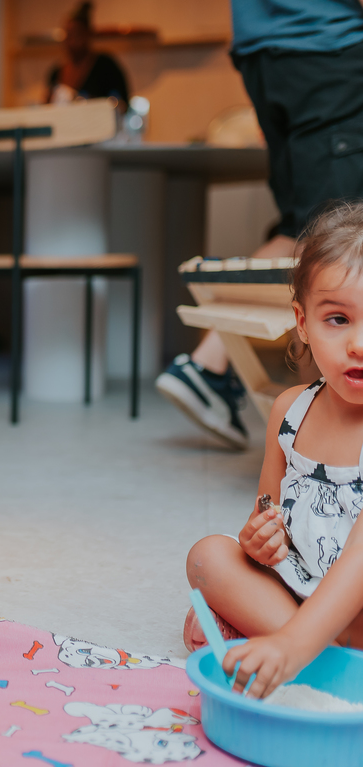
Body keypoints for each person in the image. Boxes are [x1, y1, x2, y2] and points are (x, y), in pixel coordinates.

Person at [156, 0, 363, 449]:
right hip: (326, 42)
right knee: (336, 234)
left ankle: (207, 365)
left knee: (301, 228)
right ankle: (322, 434)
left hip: (262, 50)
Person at [184, 202, 363, 696]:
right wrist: (261, 541)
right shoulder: (290, 412)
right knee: (208, 556)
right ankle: (324, 658)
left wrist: (286, 642)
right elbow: (268, 512)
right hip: (303, 591)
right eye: (338, 319)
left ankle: (291, 648)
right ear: (303, 323)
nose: (359, 344)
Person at [45, 2, 129, 109]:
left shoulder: (106, 67)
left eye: (77, 35)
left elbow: (122, 104)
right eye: (68, 35)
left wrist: (89, 103)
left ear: (88, 34)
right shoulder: (56, 73)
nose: (72, 42)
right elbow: (47, 107)